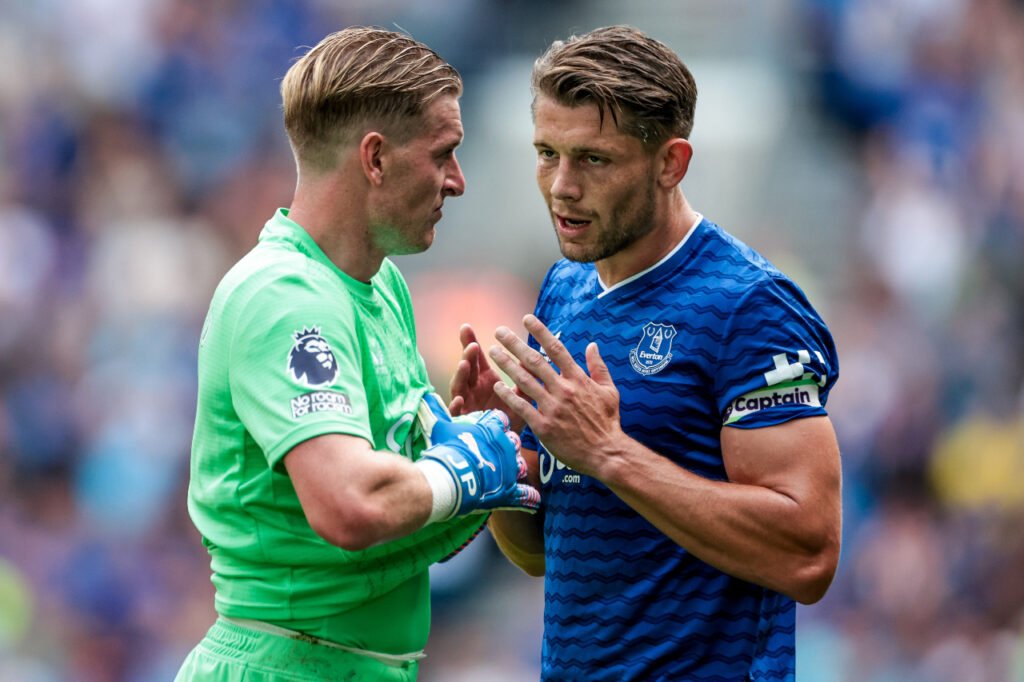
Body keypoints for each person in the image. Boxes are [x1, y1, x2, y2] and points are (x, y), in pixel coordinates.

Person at [449, 25, 842, 681]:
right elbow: (543, 554)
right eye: (547, 153)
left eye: (593, 159)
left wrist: (610, 453)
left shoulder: (751, 306)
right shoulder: (564, 288)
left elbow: (809, 555)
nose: (561, 186)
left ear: (671, 163)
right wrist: (500, 459)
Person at [176, 27, 539, 682]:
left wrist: (464, 447)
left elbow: (397, 509)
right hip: (287, 666)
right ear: (375, 159)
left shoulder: (381, 285)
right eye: (444, 154)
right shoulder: (287, 299)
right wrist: (459, 470)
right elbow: (351, 505)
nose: (458, 181)